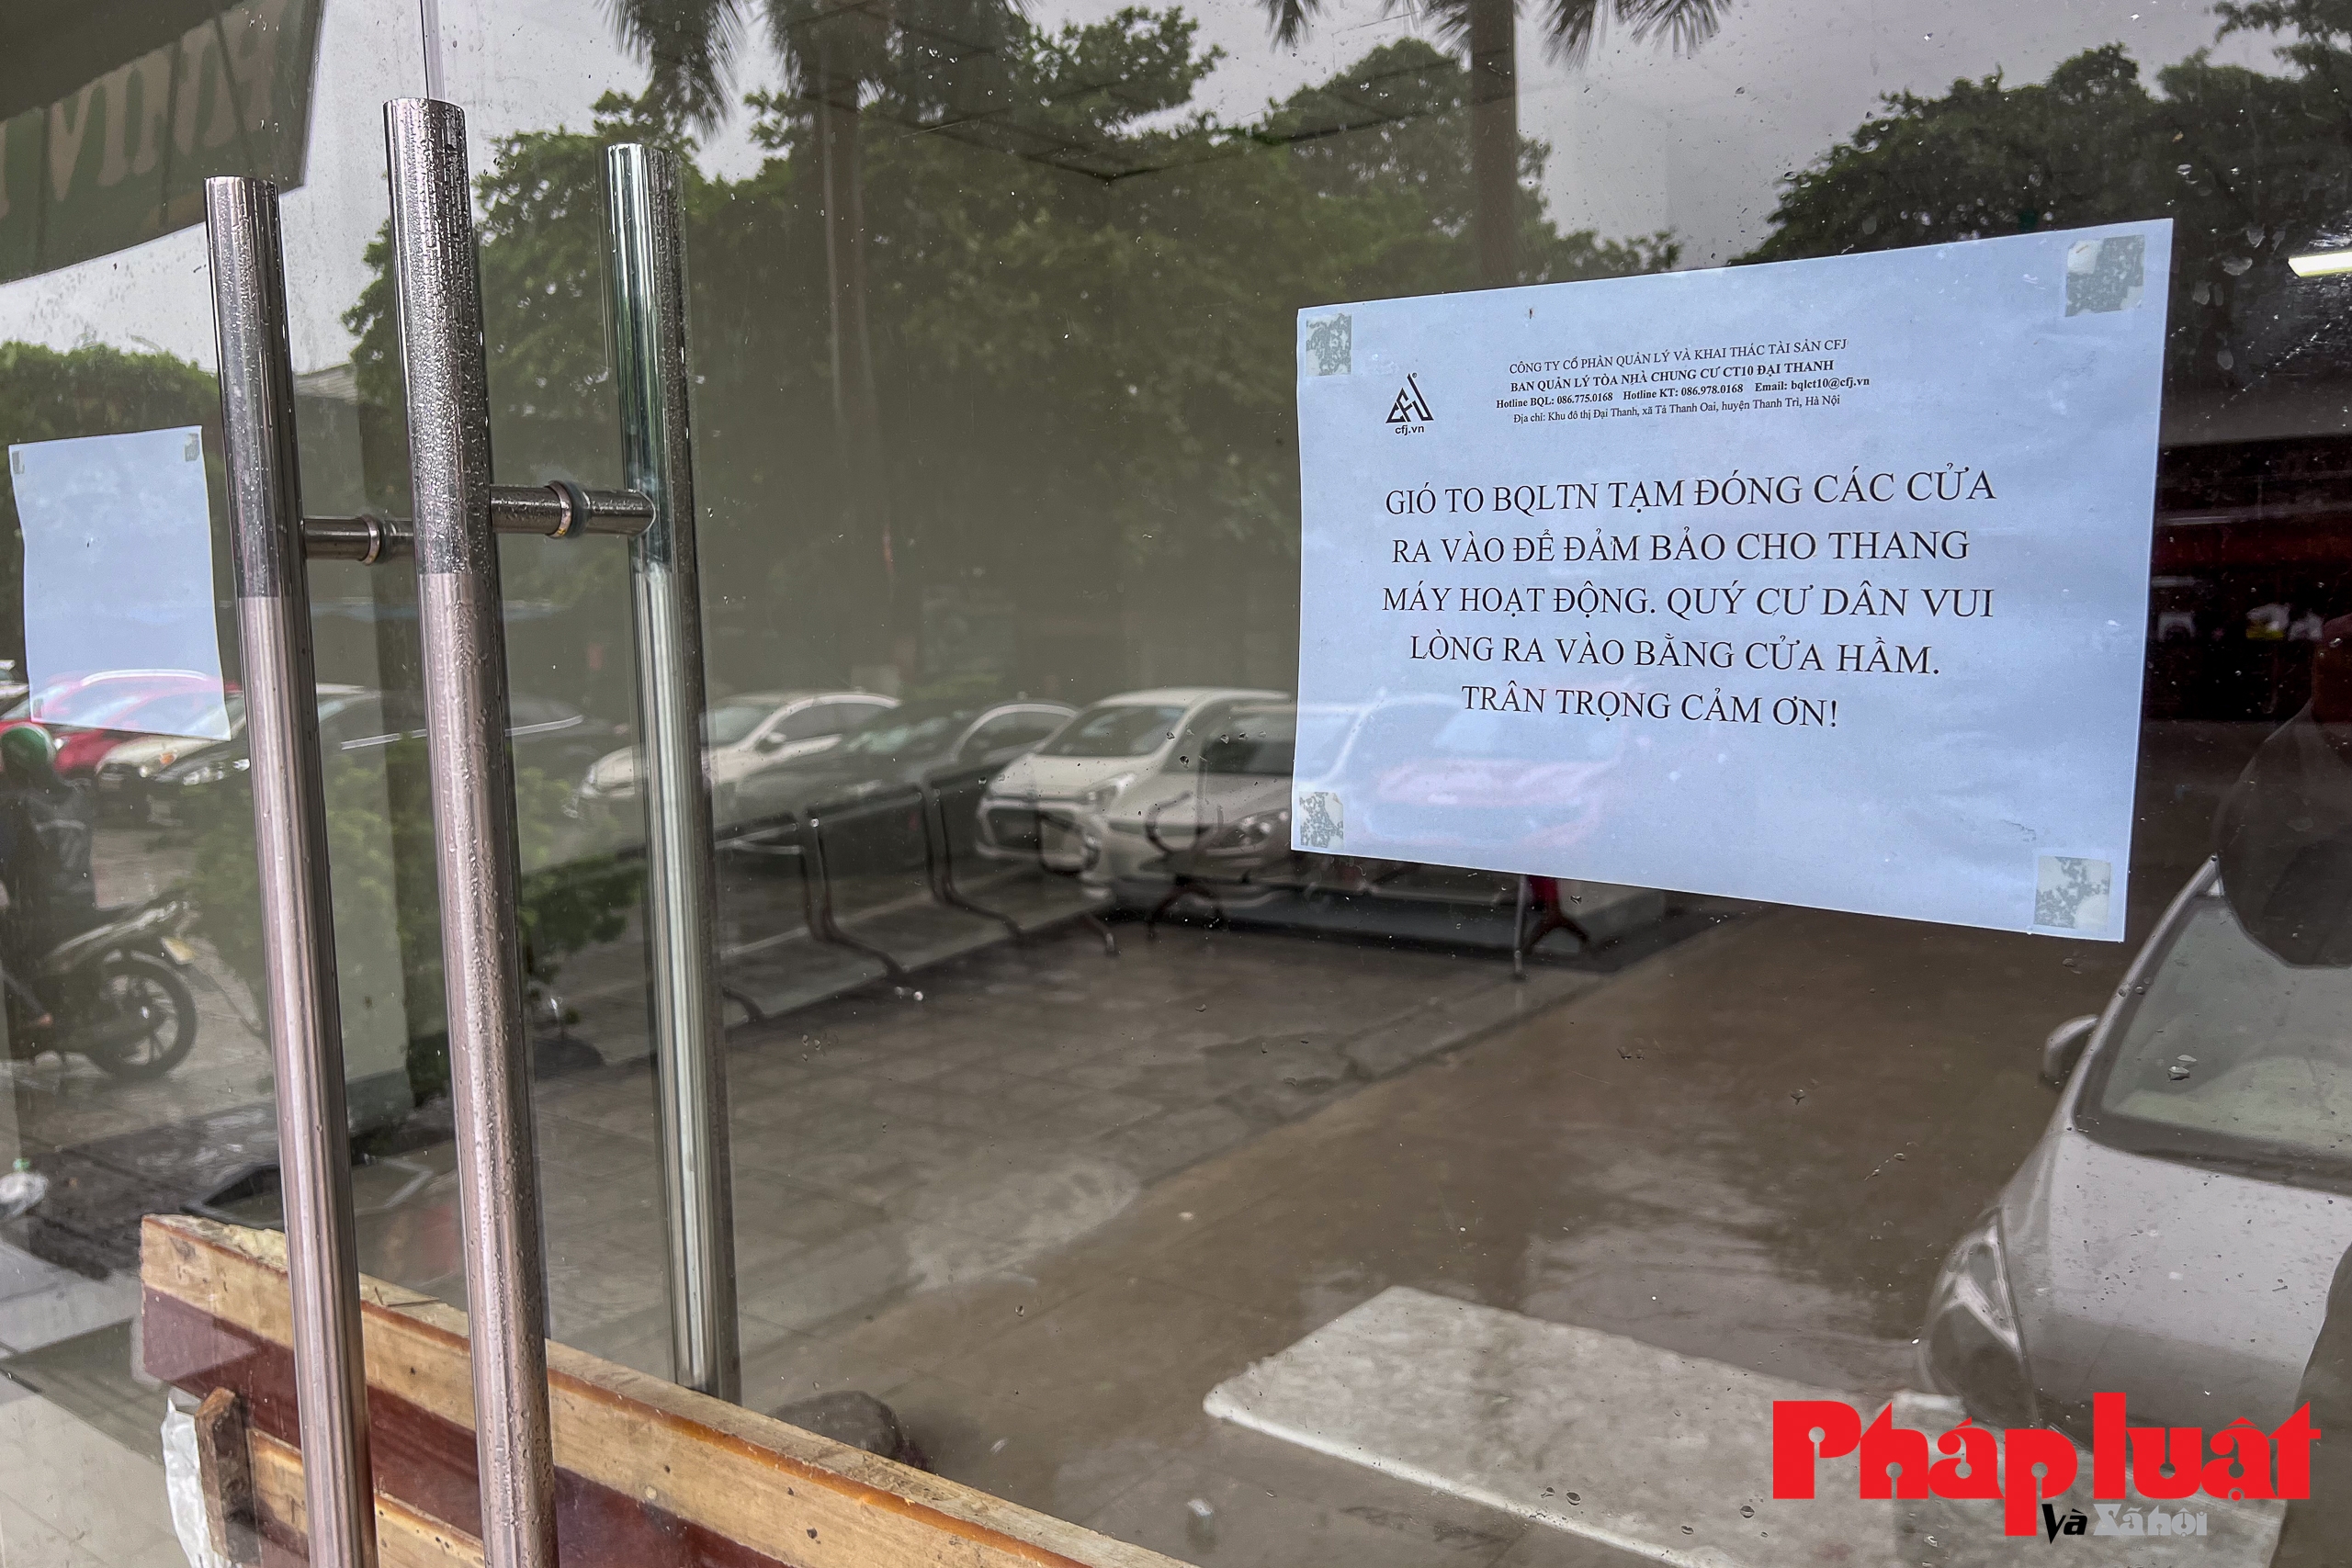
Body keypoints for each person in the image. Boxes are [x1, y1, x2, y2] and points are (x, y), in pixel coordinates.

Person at [0, 725, 96, 1035]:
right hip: (82, 902)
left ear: (14, 762)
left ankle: (33, 1012)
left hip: (37, 913)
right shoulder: (76, 796)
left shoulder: (15, 805)